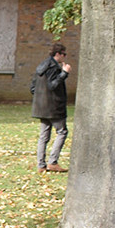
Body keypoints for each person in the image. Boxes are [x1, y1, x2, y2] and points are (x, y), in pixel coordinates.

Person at [30, 42, 71, 173]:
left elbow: (32, 88)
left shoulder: (41, 67)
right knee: (62, 132)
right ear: (57, 54)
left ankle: (41, 165)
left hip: (41, 107)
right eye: (63, 54)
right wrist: (64, 73)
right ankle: (53, 162)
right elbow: (52, 85)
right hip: (54, 107)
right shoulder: (53, 68)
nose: (64, 57)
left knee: (44, 136)